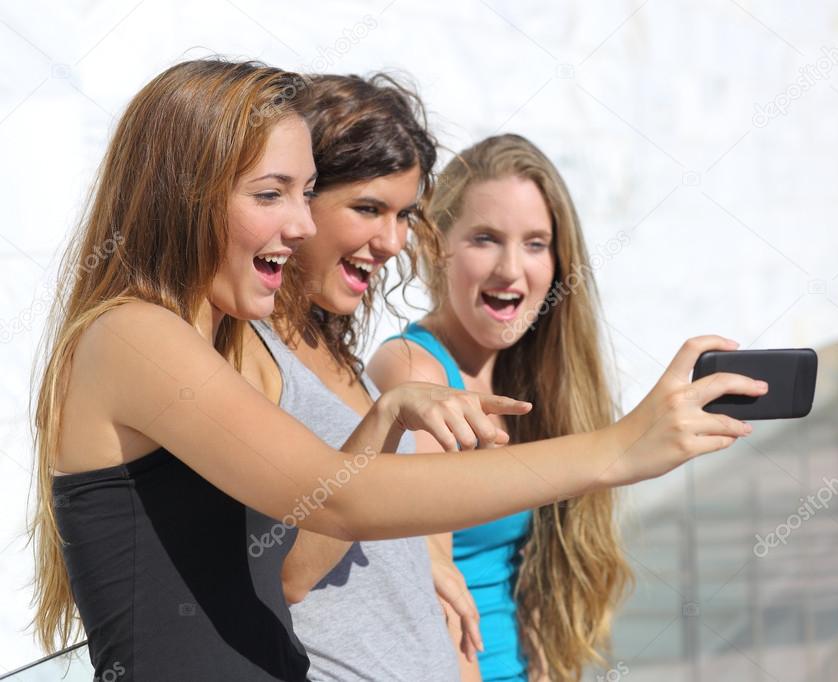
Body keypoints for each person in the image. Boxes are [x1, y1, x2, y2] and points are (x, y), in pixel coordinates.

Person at [32, 58, 766, 681]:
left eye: (304, 190)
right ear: (179, 195)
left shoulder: (211, 342)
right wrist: (619, 448)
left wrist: (383, 429)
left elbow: (304, 534)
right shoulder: (131, 337)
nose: (300, 222)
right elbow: (338, 502)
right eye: (270, 194)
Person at [236, 72, 483, 680]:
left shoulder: (340, 354)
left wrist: (416, 551)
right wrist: (386, 419)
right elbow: (287, 571)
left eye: (404, 216)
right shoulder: (251, 352)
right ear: (301, 199)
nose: (393, 240)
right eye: (369, 209)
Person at [369, 133, 631, 681]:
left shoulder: (534, 373)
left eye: (536, 244)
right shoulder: (418, 371)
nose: (512, 270)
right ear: (436, 246)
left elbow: (537, 582)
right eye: (486, 239)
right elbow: (434, 591)